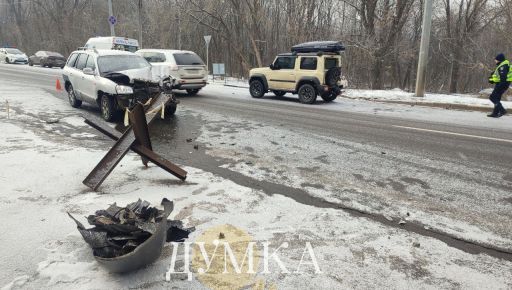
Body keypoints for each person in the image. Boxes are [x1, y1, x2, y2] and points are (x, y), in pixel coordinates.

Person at [488, 53, 512, 118]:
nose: (495, 61)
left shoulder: (502, 66)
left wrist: (499, 86)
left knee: (492, 97)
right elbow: (499, 76)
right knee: (497, 98)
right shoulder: (502, 65)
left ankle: (502, 110)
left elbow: (503, 78)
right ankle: (495, 113)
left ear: (499, 60)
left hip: (502, 84)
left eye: (496, 59)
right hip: (502, 83)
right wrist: (492, 78)